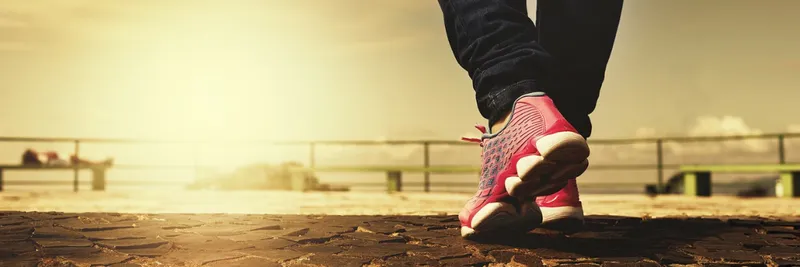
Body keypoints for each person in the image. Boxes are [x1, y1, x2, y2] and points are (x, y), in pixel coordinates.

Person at [437, 0, 624, 238]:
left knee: (514, 88)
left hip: (509, 76)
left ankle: (515, 113)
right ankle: (554, 168)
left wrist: (510, 83)